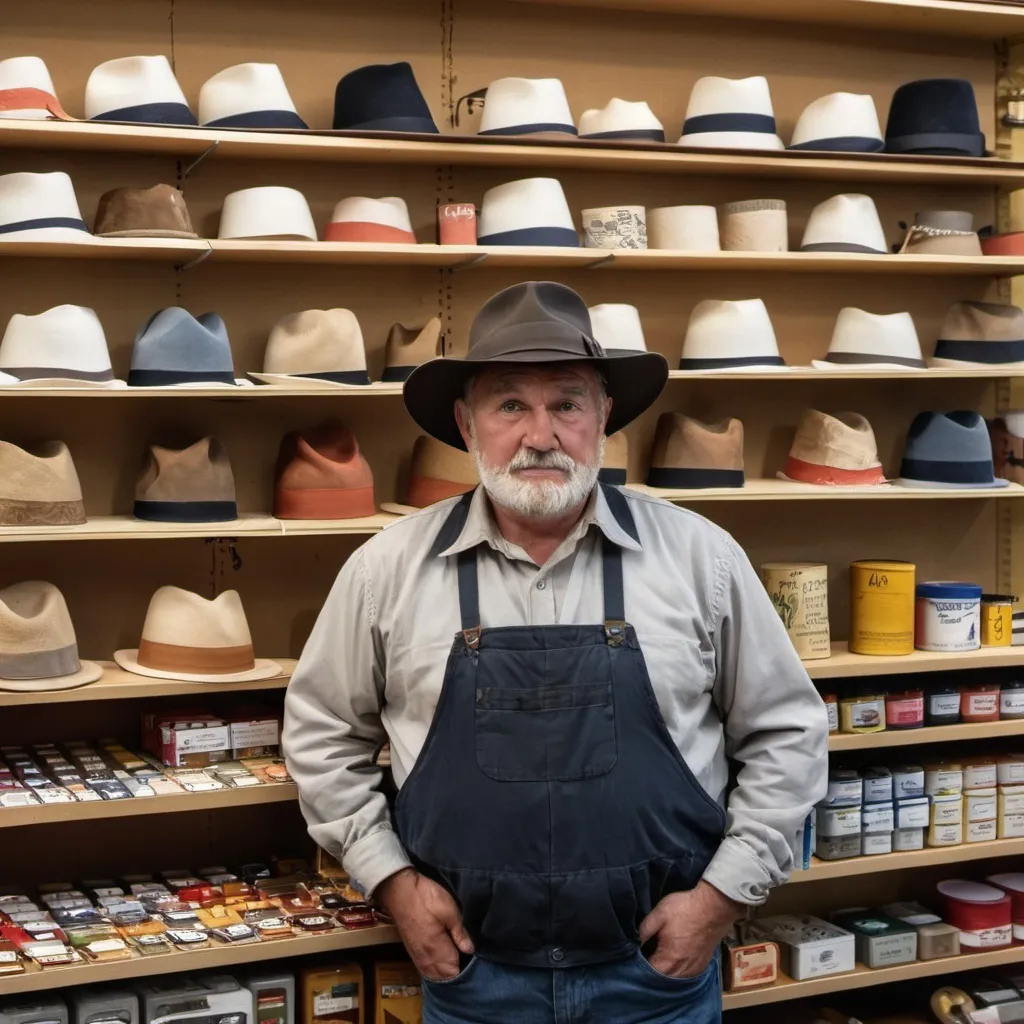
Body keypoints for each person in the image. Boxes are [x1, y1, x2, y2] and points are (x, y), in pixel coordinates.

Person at [284, 281, 829, 1024]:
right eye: (510, 405)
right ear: (466, 423)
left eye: (567, 404)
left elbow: (788, 733)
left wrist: (720, 899)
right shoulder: (387, 570)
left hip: (653, 978)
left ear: (604, 417)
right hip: (474, 978)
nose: (540, 434)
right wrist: (393, 885)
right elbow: (321, 735)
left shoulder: (704, 560)